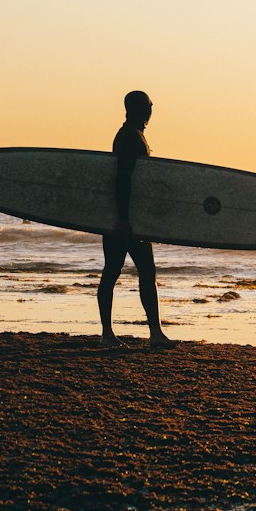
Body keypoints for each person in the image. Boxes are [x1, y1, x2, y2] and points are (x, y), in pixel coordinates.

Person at [97, 90, 175, 349]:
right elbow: (123, 179)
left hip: (130, 218)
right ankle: (110, 334)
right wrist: (122, 219)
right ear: (137, 108)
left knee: (137, 272)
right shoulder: (129, 137)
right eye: (149, 106)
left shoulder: (133, 135)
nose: (152, 110)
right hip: (125, 220)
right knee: (115, 272)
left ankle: (153, 333)